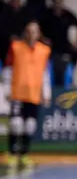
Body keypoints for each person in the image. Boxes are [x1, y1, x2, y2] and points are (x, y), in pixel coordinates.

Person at [3, 21, 51, 169]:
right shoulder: (16, 47)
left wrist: (46, 93)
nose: (32, 34)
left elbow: (45, 74)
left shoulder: (44, 51)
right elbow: (8, 69)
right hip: (17, 93)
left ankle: (24, 155)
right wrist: (7, 90)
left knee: (30, 126)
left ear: (39, 34)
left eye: (35, 31)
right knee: (16, 124)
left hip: (34, 94)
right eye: (29, 31)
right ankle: (11, 154)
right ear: (25, 33)